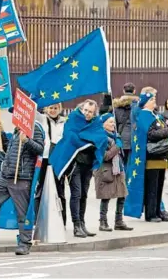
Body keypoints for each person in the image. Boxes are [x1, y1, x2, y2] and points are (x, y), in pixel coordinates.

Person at [0, 122, 44, 256]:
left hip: (21, 177)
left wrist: (27, 141)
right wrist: (1, 133)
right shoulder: (18, 129)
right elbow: (10, 150)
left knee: (22, 211)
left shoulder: (34, 127)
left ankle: (24, 243)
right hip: (6, 175)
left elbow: (40, 149)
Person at [139, 91, 168, 222]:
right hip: (152, 156)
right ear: (145, 103)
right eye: (151, 100)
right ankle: (150, 213)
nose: (154, 101)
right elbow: (152, 135)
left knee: (159, 185)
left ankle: (158, 211)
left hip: (160, 155)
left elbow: (161, 130)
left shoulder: (154, 115)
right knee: (152, 187)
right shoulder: (144, 116)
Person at [95, 113, 133, 232]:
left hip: (118, 169)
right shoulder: (101, 138)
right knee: (106, 197)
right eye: (110, 122)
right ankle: (103, 222)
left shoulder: (115, 136)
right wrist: (117, 146)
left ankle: (119, 221)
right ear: (103, 124)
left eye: (113, 122)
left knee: (122, 195)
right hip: (106, 171)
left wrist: (118, 142)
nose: (113, 124)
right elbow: (105, 156)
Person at [69, 100, 101, 237]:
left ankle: (82, 223)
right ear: (81, 109)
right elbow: (72, 139)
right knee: (76, 194)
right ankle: (76, 225)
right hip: (75, 163)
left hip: (88, 164)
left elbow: (99, 140)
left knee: (84, 195)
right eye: (86, 110)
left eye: (90, 112)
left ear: (94, 113)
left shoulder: (95, 125)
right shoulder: (73, 121)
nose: (87, 113)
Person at [34, 103, 67, 226]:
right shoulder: (41, 119)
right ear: (46, 108)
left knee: (60, 191)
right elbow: (30, 110)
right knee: (40, 189)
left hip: (58, 159)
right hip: (44, 158)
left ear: (59, 109)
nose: (53, 110)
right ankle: (37, 220)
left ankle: (62, 221)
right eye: (51, 108)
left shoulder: (64, 122)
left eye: (55, 108)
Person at [113, 82, 138, 165]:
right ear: (134, 91)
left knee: (123, 163)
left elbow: (114, 124)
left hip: (122, 137)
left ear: (123, 91)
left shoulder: (117, 106)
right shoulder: (139, 105)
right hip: (136, 137)